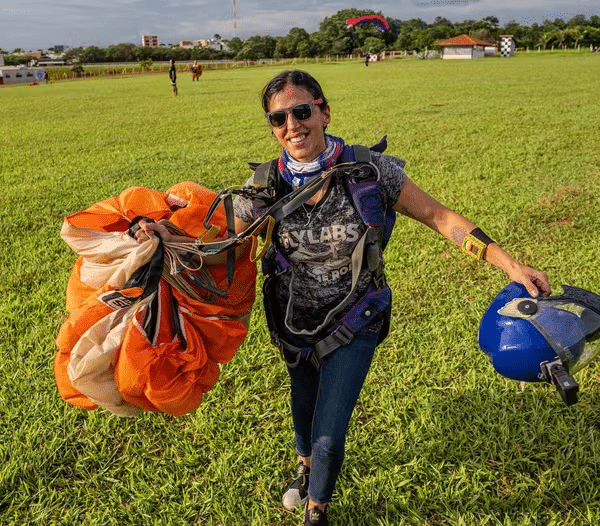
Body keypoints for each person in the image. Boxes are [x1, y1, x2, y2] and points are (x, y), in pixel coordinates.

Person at [137, 70, 551, 526]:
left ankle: (318, 509)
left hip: (357, 318)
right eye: (279, 119)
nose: (292, 125)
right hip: (292, 319)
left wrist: (510, 264)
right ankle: (305, 468)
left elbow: (438, 216)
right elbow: (218, 242)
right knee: (302, 398)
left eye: (301, 112)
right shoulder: (263, 185)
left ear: (323, 111)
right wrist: (164, 234)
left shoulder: (372, 173)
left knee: (329, 430)